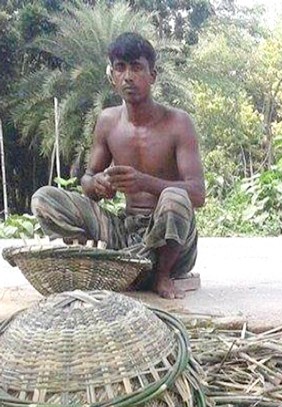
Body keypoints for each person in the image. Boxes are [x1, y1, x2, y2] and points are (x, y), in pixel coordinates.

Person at [31, 32, 205, 299]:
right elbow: (87, 182)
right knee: (44, 199)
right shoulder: (107, 121)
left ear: (152, 76)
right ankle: (115, 259)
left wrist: (145, 182)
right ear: (112, 76)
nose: (128, 76)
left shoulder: (178, 123)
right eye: (120, 68)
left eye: (136, 67)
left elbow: (197, 194)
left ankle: (160, 275)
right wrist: (98, 184)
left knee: (175, 198)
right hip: (126, 233)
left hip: (174, 244)